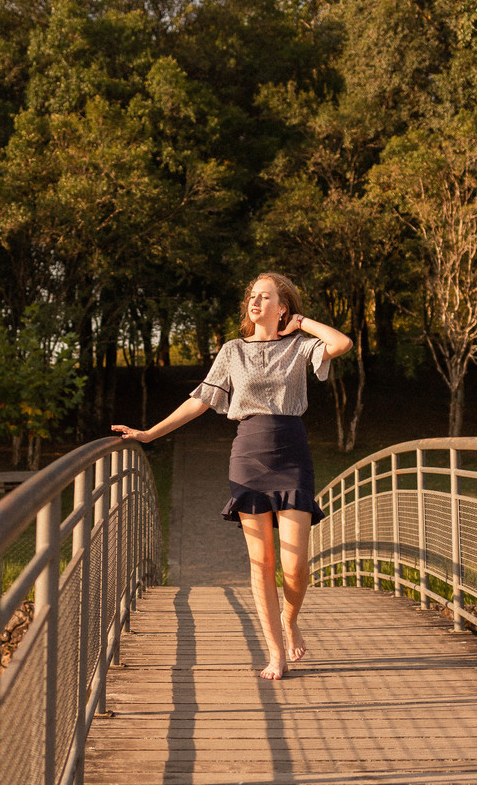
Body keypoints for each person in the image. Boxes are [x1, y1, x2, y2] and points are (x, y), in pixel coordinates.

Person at [111, 272, 353, 680]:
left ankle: (290, 620)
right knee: (262, 562)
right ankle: (274, 652)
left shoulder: (299, 345)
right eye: (252, 296)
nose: (255, 302)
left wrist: (301, 323)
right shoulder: (232, 351)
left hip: (292, 454)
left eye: (266, 297)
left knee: (295, 566)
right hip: (249, 456)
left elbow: (341, 344)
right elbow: (200, 401)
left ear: (282, 308)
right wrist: (150, 433)